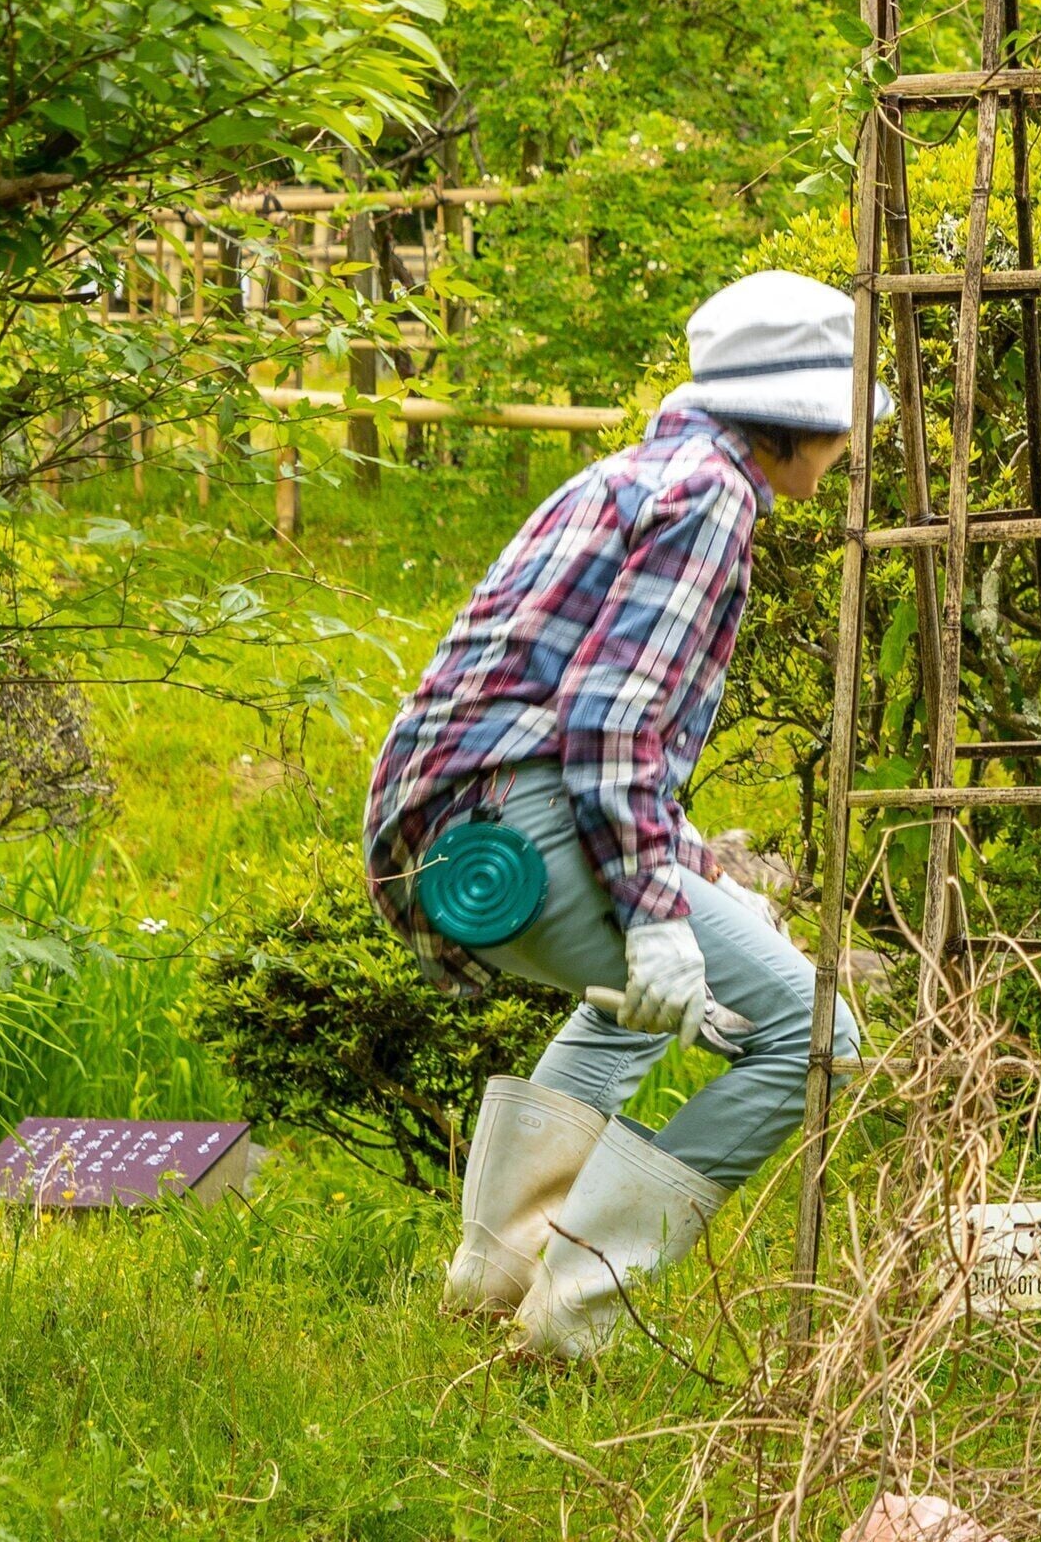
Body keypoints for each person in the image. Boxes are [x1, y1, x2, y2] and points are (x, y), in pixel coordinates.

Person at [362, 269, 870, 1361]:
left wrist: (697, 873)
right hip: (511, 838)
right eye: (846, 422)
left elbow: (558, 716)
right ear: (806, 413)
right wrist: (654, 913)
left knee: (633, 1004)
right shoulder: (713, 496)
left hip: (454, 831)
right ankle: (572, 1318)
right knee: (815, 1033)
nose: (851, 448)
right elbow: (604, 729)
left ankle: (494, 1278)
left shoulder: (639, 473)